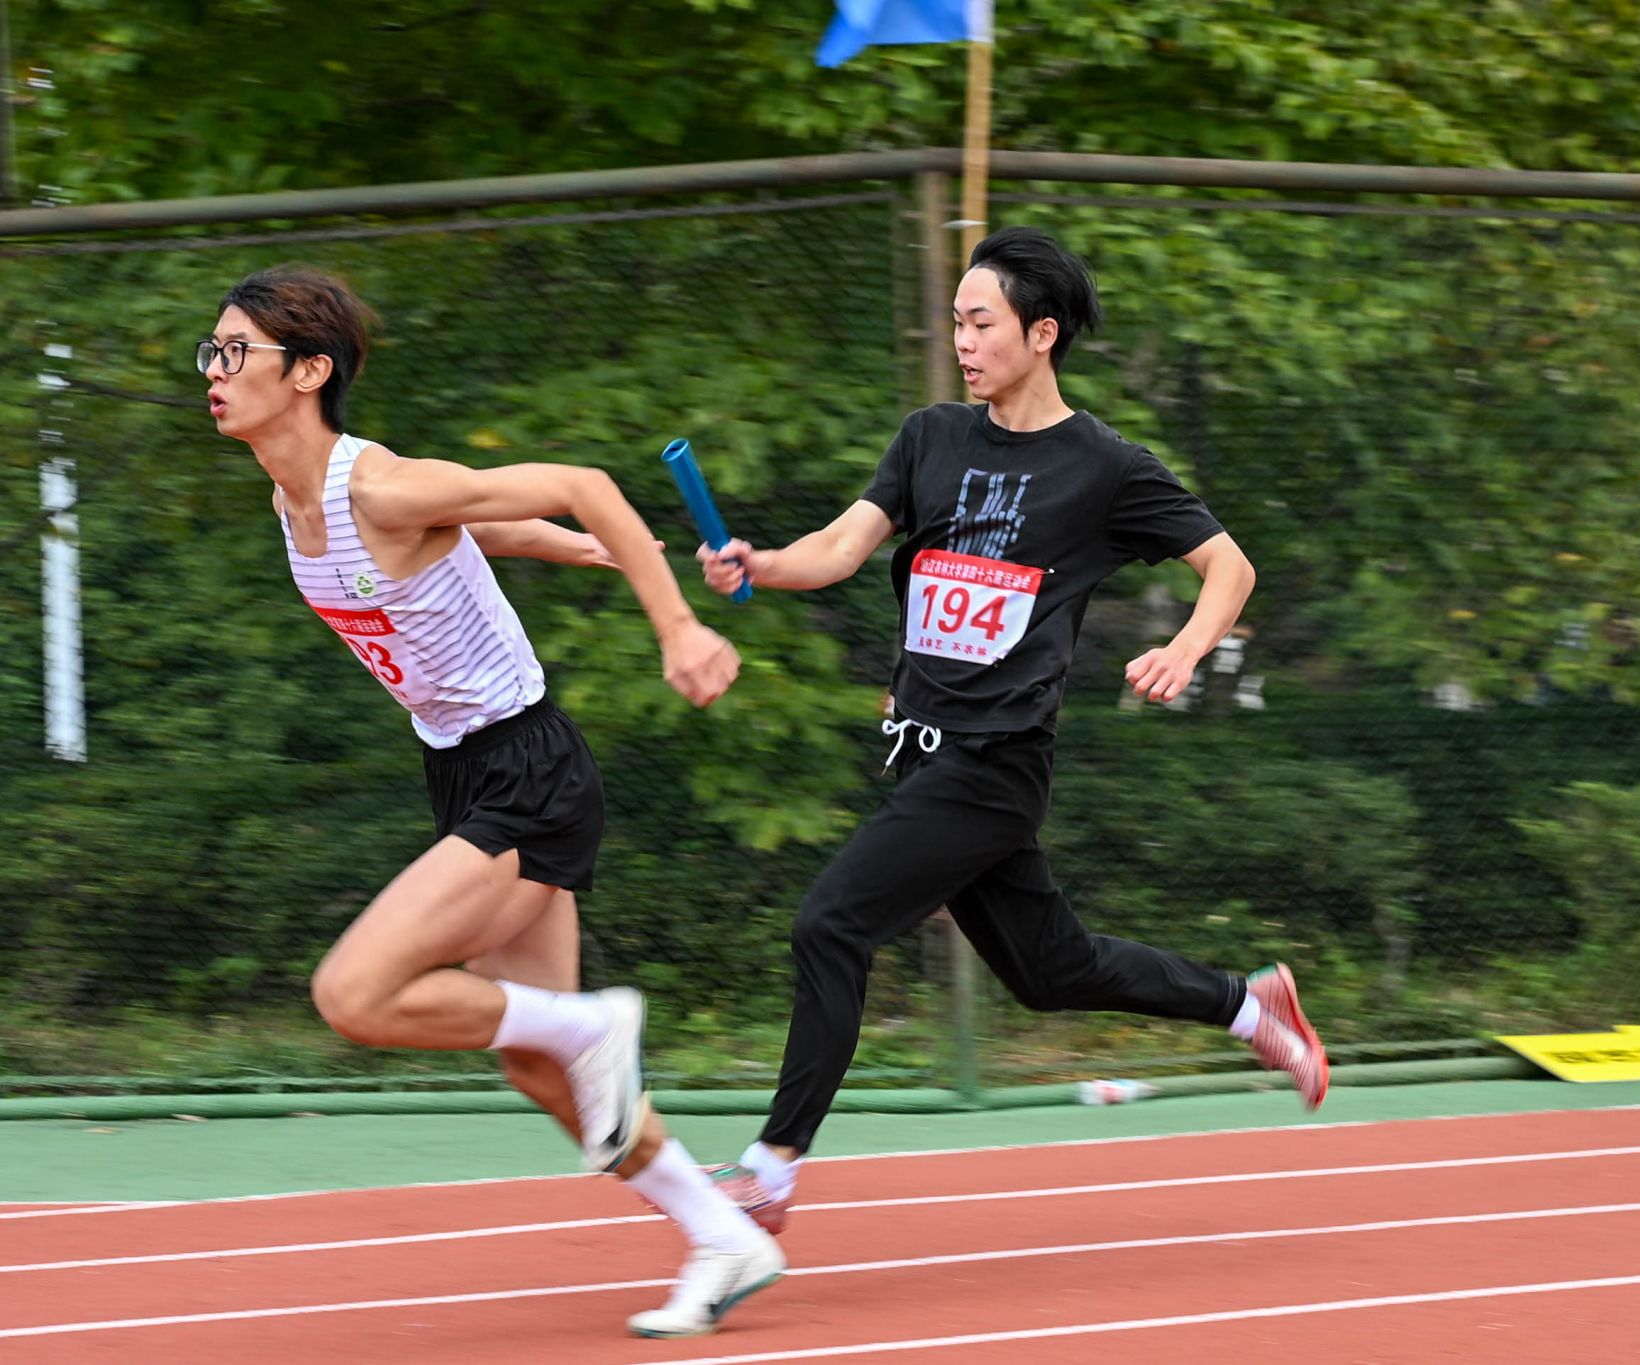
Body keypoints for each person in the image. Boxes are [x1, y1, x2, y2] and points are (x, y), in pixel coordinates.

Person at [694, 227, 1329, 1234]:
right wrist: (759, 563)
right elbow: (841, 546)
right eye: (955, 322)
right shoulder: (929, 437)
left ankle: (770, 1172)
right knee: (1049, 971)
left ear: (1041, 334)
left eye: (981, 322)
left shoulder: (1105, 466)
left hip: (996, 761)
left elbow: (1230, 567)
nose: (962, 341)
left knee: (830, 923)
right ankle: (1251, 1006)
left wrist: (1184, 650)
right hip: (922, 755)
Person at [202, 265, 779, 1340]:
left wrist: (678, 627)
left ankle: (595, 1022)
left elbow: (581, 480)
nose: (216, 370)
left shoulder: (376, 487)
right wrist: (581, 548)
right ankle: (722, 1233)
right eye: (213, 349)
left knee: (353, 993)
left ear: (310, 372)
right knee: (540, 1067)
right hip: (464, 772)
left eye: (239, 351)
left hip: (527, 771)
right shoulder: (292, 503)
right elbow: (477, 529)